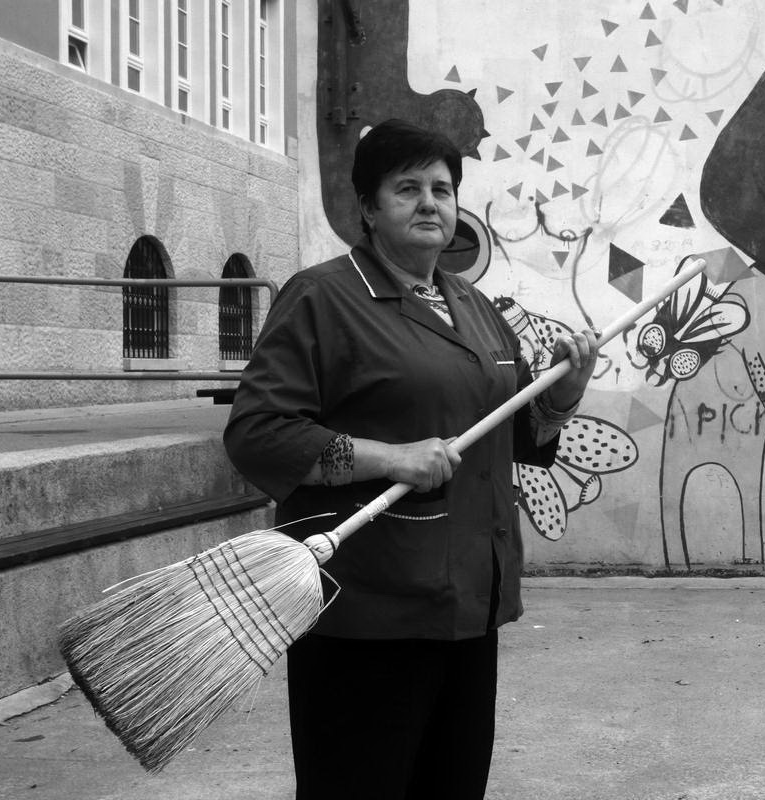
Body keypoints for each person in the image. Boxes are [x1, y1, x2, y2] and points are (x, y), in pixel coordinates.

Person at [223, 119, 599, 800]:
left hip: (467, 608)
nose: (430, 202)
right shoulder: (323, 298)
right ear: (368, 208)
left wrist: (562, 395)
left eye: (442, 188)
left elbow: (510, 437)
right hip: (369, 611)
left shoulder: (475, 308)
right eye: (407, 188)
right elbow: (258, 433)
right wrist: (389, 458)